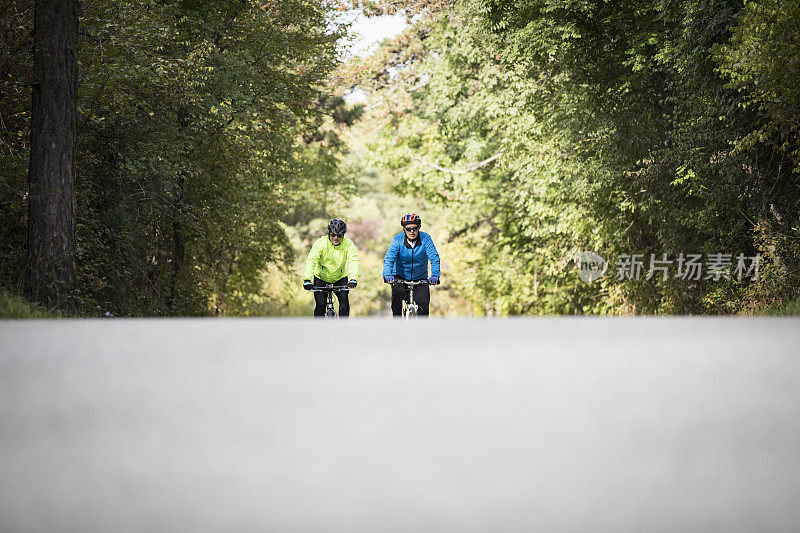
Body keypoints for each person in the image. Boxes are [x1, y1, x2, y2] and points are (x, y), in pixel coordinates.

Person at [382, 213, 441, 316]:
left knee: (424, 306)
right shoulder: (398, 239)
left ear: (419, 227)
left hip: (420, 278)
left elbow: (434, 258)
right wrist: (387, 274)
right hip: (400, 276)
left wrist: (435, 275)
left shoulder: (426, 239)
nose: (412, 231)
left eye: (415, 228)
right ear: (404, 229)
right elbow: (389, 258)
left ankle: (422, 330)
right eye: (408, 229)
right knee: (397, 298)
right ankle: (397, 323)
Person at [303, 218, 359, 317]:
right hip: (321, 278)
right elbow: (311, 261)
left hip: (340, 278)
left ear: (343, 235)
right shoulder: (320, 243)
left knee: (344, 304)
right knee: (320, 305)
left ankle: (343, 328)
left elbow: (353, 261)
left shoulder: (348, 244)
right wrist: (307, 279)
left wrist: (353, 278)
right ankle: (318, 329)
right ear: (329, 233)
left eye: (339, 235)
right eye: (333, 235)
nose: (335, 238)